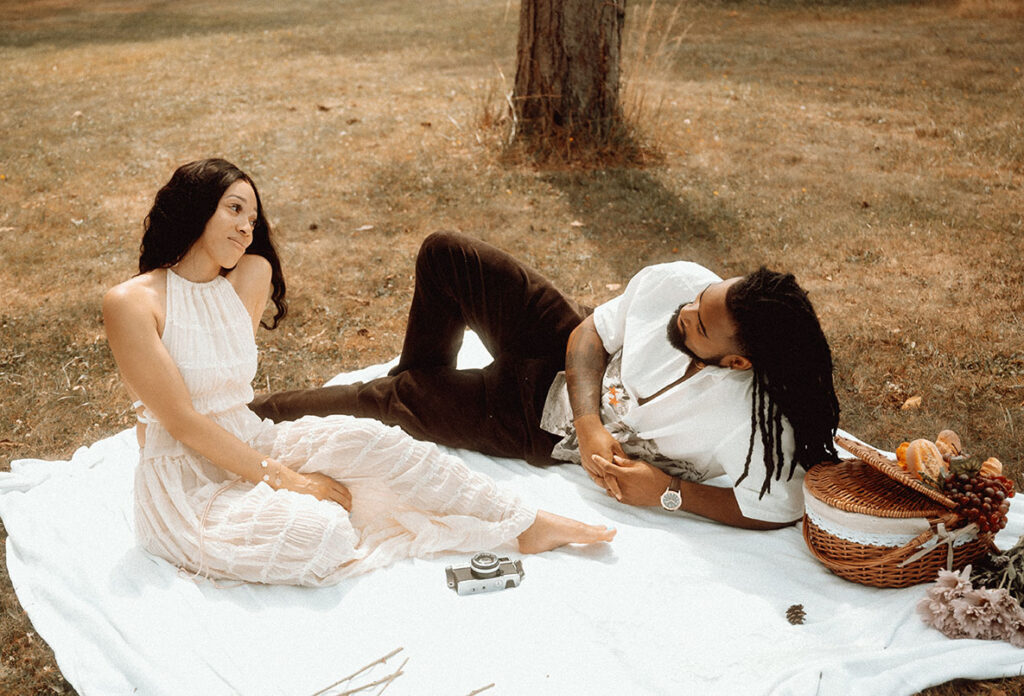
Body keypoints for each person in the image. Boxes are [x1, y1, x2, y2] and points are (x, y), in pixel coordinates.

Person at [102, 159, 614, 587]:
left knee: (378, 441)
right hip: (186, 483)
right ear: (195, 209)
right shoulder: (131, 302)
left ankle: (523, 523)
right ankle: (337, 513)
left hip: (250, 439)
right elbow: (185, 423)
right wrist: (291, 482)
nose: (246, 228)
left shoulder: (250, 276)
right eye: (233, 209)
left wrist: (284, 466)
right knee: (319, 535)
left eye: (252, 218)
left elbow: (225, 375)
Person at [250, 232, 841, 531]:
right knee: (446, 253)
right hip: (564, 361)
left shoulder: (759, 424)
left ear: (739, 363)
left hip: (532, 424)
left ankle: (250, 413)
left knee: (386, 401)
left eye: (702, 324)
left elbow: (778, 507)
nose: (685, 311)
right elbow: (589, 335)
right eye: (701, 299)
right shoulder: (676, 284)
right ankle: (419, 390)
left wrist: (668, 492)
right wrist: (589, 421)